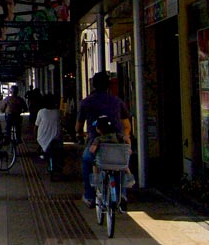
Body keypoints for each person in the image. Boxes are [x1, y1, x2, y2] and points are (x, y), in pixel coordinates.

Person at [75, 71, 131, 209]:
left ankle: (89, 196)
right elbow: (127, 125)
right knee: (120, 165)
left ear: (92, 85)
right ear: (108, 86)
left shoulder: (86, 102)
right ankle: (122, 194)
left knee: (87, 160)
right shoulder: (117, 101)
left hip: (97, 143)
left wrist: (81, 134)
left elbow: (78, 127)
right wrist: (124, 137)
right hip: (117, 144)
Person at [88, 115, 136, 193]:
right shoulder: (117, 136)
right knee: (125, 164)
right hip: (118, 161)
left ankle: (96, 180)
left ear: (98, 129)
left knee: (94, 163)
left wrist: (91, 149)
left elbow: (92, 150)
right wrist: (128, 148)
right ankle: (129, 179)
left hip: (104, 162)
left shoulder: (98, 139)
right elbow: (127, 139)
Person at [33, 93, 63, 175]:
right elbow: (62, 122)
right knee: (59, 150)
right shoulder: (58, 112)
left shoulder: (41, 112)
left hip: (42, 137)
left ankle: (43, 153)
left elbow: (36, 126)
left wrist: (35, 137)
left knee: (43, 148)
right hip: (56, 137)